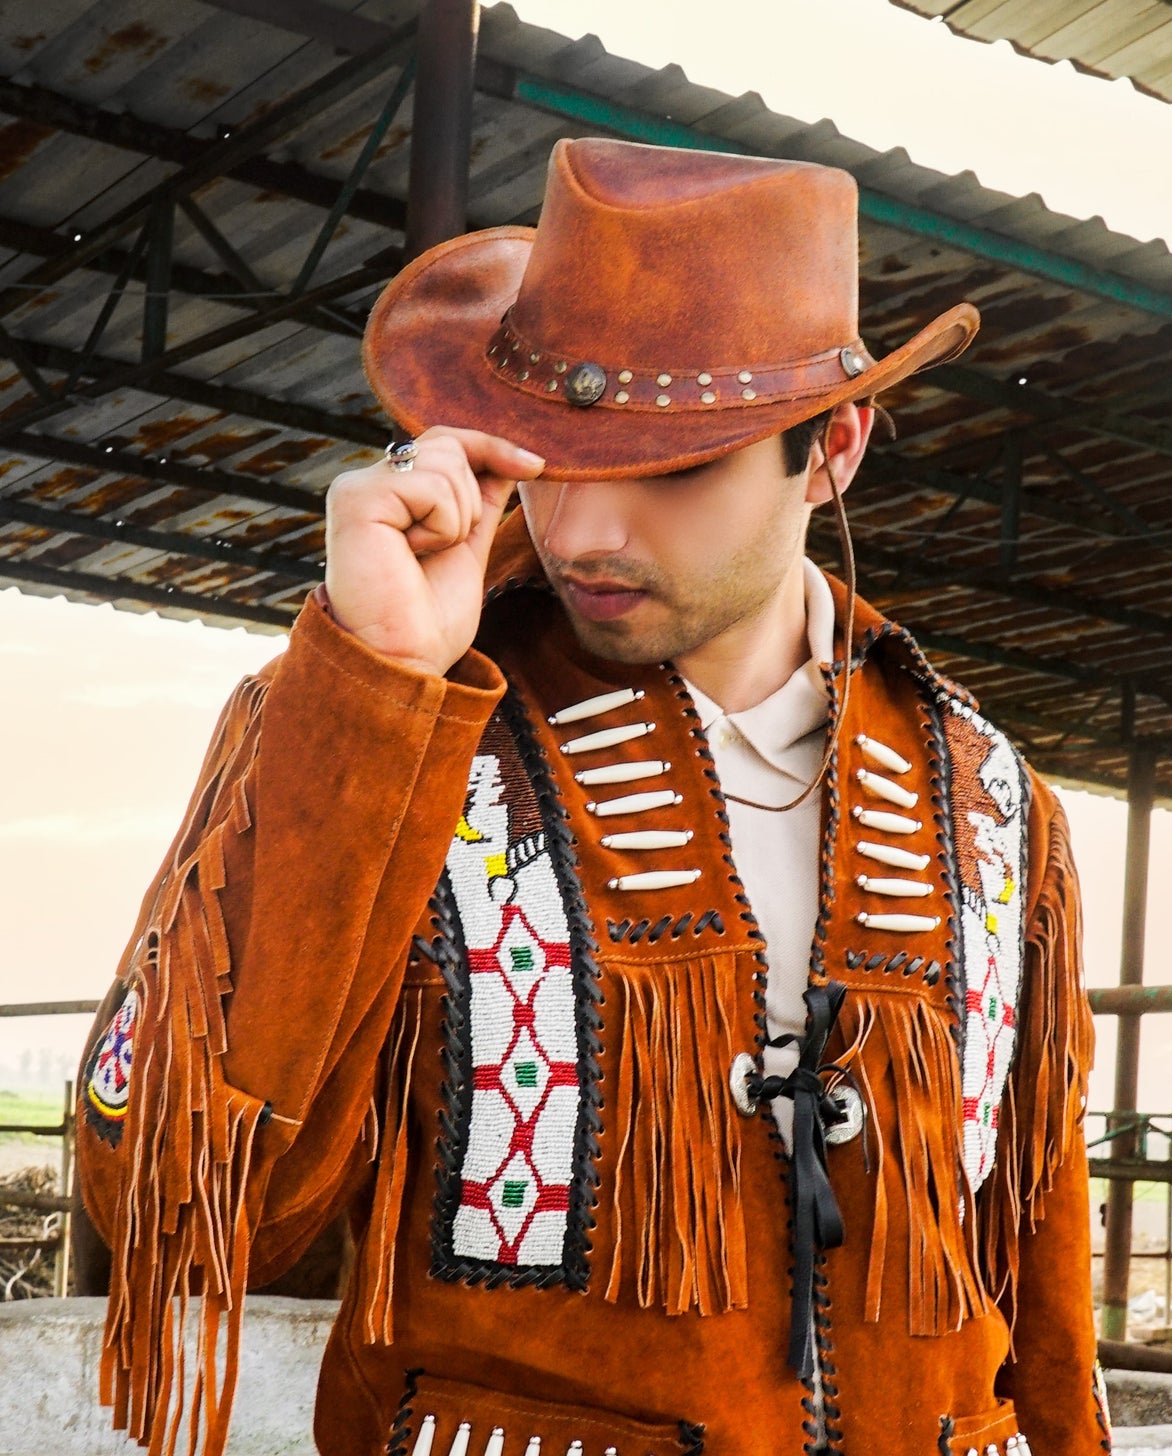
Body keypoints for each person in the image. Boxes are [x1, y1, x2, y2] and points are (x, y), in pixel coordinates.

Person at [76, 137, 1106, 1456]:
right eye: (552, 457)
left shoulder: (989, 794)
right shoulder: (377, 713)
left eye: (676, 468)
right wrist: (372, 692)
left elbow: (1039, 1273)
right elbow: (176, 1208)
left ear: (833, 450)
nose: (581, 533)